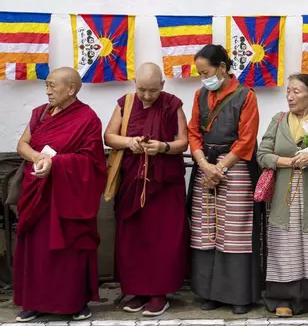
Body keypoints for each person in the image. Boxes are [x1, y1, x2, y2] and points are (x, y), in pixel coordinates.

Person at [13, 67, 106, 322]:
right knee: (36, 248)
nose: (48, 91)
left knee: (70, 248)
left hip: (70, 196)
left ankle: (75, 302)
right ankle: (33, 301)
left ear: (71, 89)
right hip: (37, 192)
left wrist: (57, 164)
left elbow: (93, 161)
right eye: (47, 86)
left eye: (53, 86)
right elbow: (22, 144)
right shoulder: (40, 114)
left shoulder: (87, 119)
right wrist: (38, 157)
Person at [104, 63, 189, 317]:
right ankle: (137, 290)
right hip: (132, 181)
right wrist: (130, 142)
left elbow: (183, 141)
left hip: (163, 186)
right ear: (134, 84)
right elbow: (109, 137)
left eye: (153, 90)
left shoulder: (173, 104)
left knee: (163, 239)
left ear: (162, 85)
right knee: (133, 238)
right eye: (142, 89)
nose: (147, 96)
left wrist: (162, 147)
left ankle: (159, 293)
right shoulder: (126, 103)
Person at [257, 74, 308, 318]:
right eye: (288, 92)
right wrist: (283, 161)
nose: (290, 96)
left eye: (296, 91)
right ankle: (282, 298)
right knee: (285, 245)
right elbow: (262, 154)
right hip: (285, 198)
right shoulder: (278, 120)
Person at [187, 44, 262, 315]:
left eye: (206, 71)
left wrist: (221, 168)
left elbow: (247, 139)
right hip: (205, 166)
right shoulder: (199, 95)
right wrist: (205, 165)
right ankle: (211, 292)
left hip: (236, 168)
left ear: (222, 67)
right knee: (207, 230)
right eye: (199, 73)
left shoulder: (246, 96)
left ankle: (239, 294)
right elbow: (193, 132)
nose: (203, 77)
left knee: (235, 232)